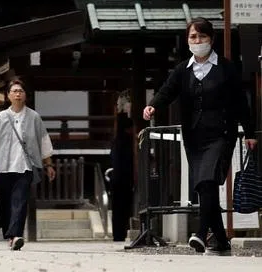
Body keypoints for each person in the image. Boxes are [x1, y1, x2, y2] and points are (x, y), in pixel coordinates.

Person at [143, 18, 257, 255]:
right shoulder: (182, 70)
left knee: (206, 180)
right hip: (194, 137)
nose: (198, 41)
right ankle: (222, 243)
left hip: (220, 134)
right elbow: (166, 91)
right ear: (188, 41)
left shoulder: (226, 68)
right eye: (193, 37)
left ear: (211, 39)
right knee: (204, 186)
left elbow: (240, 103)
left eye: (202, 36)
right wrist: (153, 105)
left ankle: (200, 232)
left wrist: (249, 132)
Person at [0, 78, 56, 251]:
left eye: (21, 91)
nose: (17, 94)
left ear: (25, 95)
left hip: (25, 165)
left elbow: (43, 141)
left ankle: (16, 235)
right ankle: (11, 236)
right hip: (3, 166)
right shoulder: (0, 118)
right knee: (5, 203)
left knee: (20, 201)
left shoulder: (34, 117)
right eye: (14, 91)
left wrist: (48, 165)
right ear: (8, 95)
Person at [107, 112, 135, 243]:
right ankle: (122, 232)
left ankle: (117, 234)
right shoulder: (129, 142)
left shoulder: (115, 141)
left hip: (116, 178)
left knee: (117, 208)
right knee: (124, 208)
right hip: (126, 178)